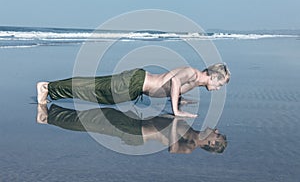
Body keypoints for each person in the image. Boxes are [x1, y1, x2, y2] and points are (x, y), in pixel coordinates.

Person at [37, 63, 230, 118]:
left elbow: (174, 87)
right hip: (135, 82)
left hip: (136, 86)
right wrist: (176, 111)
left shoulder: (196, 80)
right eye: (220, 84)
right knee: (95, 88)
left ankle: (52, 90)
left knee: (98, 92)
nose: (218, 88)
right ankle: (48, 87)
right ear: (213, 76)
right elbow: (175, 82)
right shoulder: (192, 73)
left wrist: (180, 100)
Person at [37, 104, 227, 154]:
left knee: (94, 122)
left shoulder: (190, 146)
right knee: (99, 114)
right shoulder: (192, 132)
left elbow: (172, 149)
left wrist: (174, 125)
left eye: (217, 135)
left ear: (210, 143)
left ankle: (49, 118)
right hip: (137, 122)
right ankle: (54, 113)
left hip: (134, 132)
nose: (216, 130)